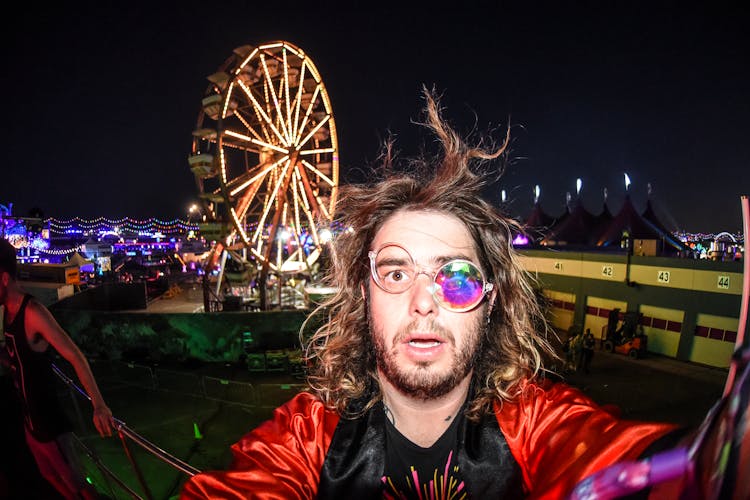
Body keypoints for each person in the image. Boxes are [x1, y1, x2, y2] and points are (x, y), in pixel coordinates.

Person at [179, 90, 684, 499]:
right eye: (396, 274)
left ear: (490, 302)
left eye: (456, 277)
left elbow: (648, 469)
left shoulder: (535, 425)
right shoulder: (309, 436)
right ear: (363, 295)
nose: (424, 301)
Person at [0, 238, 114, 500]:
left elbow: (75, 356)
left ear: (4, 278)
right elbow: (18, 357)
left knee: (79, 488)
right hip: (31, 425)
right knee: (51, 479)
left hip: (50, 425)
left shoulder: (33, 312)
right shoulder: (7, 313)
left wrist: (98, 405)